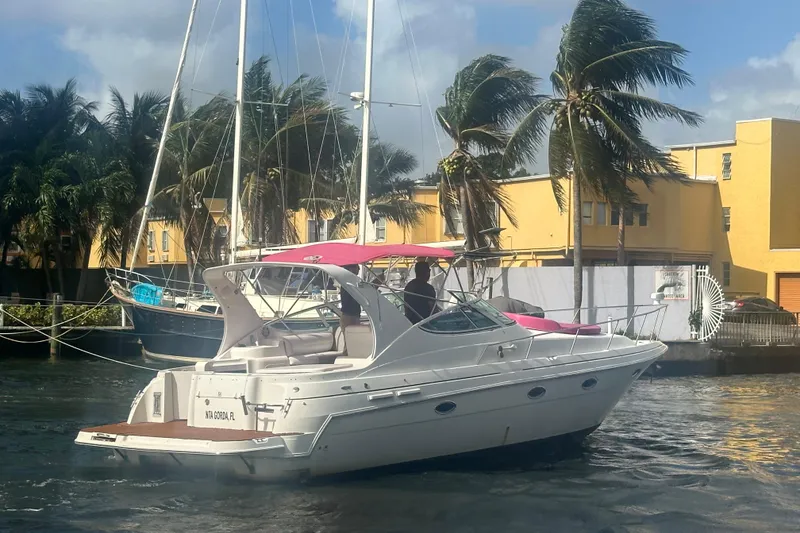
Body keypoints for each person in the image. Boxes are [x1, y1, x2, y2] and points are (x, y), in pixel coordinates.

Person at [339, 264, 361, 329]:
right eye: (357, 267)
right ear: (350, 269)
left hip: (353, 315)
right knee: (351, 337)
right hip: (349, 316)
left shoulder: (349, 281)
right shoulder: (349, 282)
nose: (359, 269)